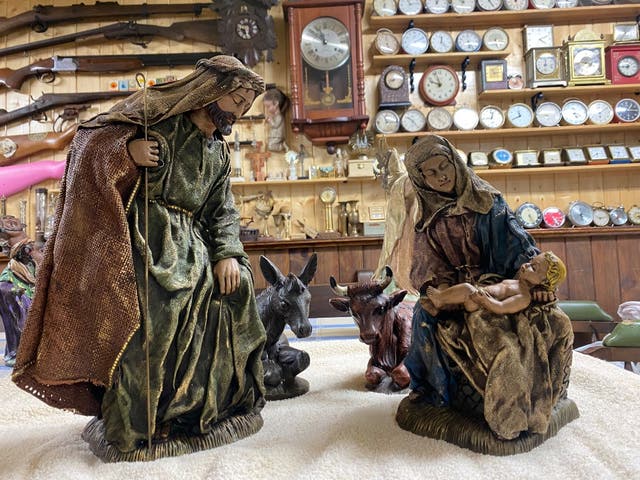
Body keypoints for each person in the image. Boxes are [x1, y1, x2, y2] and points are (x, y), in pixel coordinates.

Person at [12, 56, 267, 460]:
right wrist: (125, 151)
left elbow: (222, 210)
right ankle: (141, 420)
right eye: (236, 100)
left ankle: (200, 408)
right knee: (153, 316)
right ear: (210, 92)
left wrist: (227, 253)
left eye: (246, 105)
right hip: (142, 241)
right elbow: (86, 144)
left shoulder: (217, 153)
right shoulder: (154, 123)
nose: (240, 111)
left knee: (237, 292)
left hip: (194, 244)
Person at [401, 134, 575, 443]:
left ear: (456, 163)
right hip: (454, 287)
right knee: (423, 316)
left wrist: (539, 285)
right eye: (431, 173)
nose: (442, 176)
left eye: (445, 166)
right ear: (421, 180)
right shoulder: (428, 221)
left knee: (547, 323)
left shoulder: (488, 203)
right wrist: (441, 288)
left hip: (501, 283)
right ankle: (433, 391)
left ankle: (528, 399)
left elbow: (519, 245)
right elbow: (427, 264)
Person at [427, 251, 567, 315]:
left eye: (533, 268)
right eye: (531, 262)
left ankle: (440, 299)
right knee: (461, 289)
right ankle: (441, 304)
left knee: (466, 289)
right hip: (481, 296)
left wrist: (485, 300)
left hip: (482, 307)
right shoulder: (517, 282)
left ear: (543, 281)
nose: (526, 265)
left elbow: (502, 307)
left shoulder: (524, 297)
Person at [0, 237, 42, 366]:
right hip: (16, 304)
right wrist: (16, 291)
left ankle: (30, 354)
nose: (30, 253)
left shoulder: (31, 265)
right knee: (18, 327)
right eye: (27, 250)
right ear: (19, 252)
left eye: (31, 249)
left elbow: (35, 281)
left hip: (30, 301)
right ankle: (15, 354)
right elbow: (3, 286)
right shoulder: (13, 267)